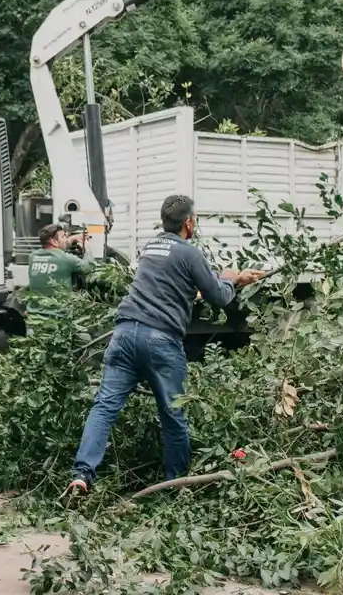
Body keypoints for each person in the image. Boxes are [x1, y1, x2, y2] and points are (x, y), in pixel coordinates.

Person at [67, 194, 264, 495]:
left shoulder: (151, 247)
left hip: (124, 334)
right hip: (159, 340)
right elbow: (219, 297)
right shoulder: (190, 252)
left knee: (104, 407)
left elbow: (172, 288)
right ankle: (176, 487)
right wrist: (229, 278)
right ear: (189, 223)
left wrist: (231, 280)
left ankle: (82, 475)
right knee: (173, 415)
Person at [26, 223, 92, 297]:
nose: (66, 239)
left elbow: (58, 248)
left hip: (35, 303)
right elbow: (89, 266)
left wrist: (73, 238)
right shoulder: (66, 259)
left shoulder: (33, 256)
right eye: (63, 236)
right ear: (54, 242)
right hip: (60, 304)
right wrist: (87, 248)